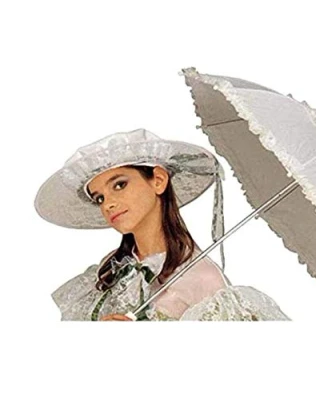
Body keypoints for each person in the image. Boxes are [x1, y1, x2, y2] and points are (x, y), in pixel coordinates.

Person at [34, 128, 290, 321]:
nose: (108, 204)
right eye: (99, 198)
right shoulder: (112, 267)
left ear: (158, 180)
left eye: (119, 185)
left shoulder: (202, 278)